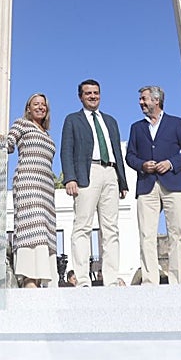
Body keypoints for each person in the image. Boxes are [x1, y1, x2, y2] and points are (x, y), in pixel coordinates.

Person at [125, 85, 181, 286]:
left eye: (144, 99)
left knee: (177, 232)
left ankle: (178, 281)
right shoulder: (136, 128)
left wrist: (171, 163)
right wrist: (142, 165)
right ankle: (150, 282)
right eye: (141, 99)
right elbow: (130, 155)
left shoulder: (176, 123)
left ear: (156, 100)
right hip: (146, 185)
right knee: (146, 234)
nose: (141, 102)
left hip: (173, 183)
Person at [60, 79, 128, 287]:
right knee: (82, 226)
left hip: (111, 173)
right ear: (80, 96)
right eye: (88, 93)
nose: (92, 96)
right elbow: (66, 150)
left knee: (111, 228)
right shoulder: (73, 120)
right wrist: (70, 178)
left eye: (96, 93)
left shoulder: (111, 121)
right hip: (87, 172)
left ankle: (110, 278)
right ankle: (82, 279)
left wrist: (122, 181)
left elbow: (117, 149)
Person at [0, 93, 58, 288]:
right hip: (27, 181)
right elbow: (9, 144)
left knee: (45, 229)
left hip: (47, 187)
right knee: (32, 227)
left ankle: (40, 278)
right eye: (36, 104)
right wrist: (0, 140)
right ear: (28, 108)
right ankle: (29, 279)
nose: (40, 107)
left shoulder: (47, 134)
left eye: (43, 105)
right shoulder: (21, 124)